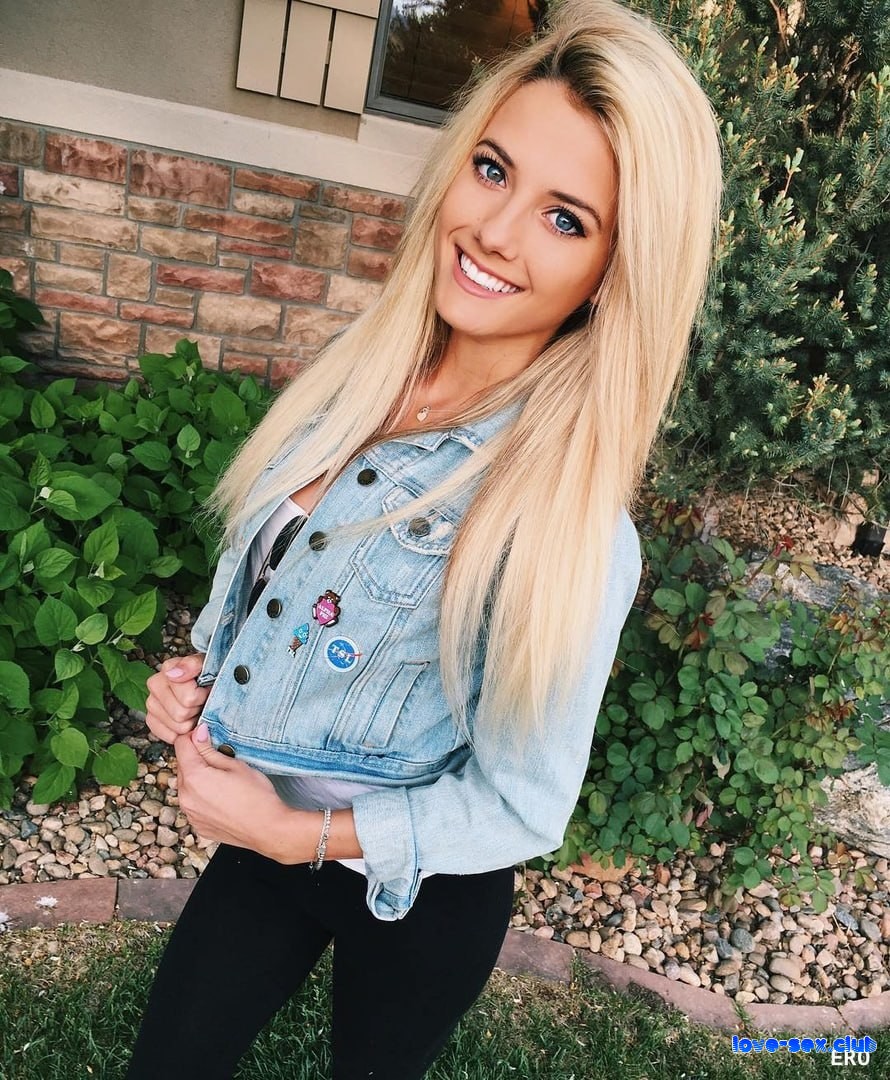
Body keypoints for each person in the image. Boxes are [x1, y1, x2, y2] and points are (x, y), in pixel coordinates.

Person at [126, 1, 722, 1076]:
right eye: (493, 170)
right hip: (267, 836)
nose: (494, 231)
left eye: (565, 219)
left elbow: (522, 803)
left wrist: (299, 836)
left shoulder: (569, 525)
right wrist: (200, 679)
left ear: (614, 273)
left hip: (421, 897)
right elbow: (269, 577)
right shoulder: (354, 382)